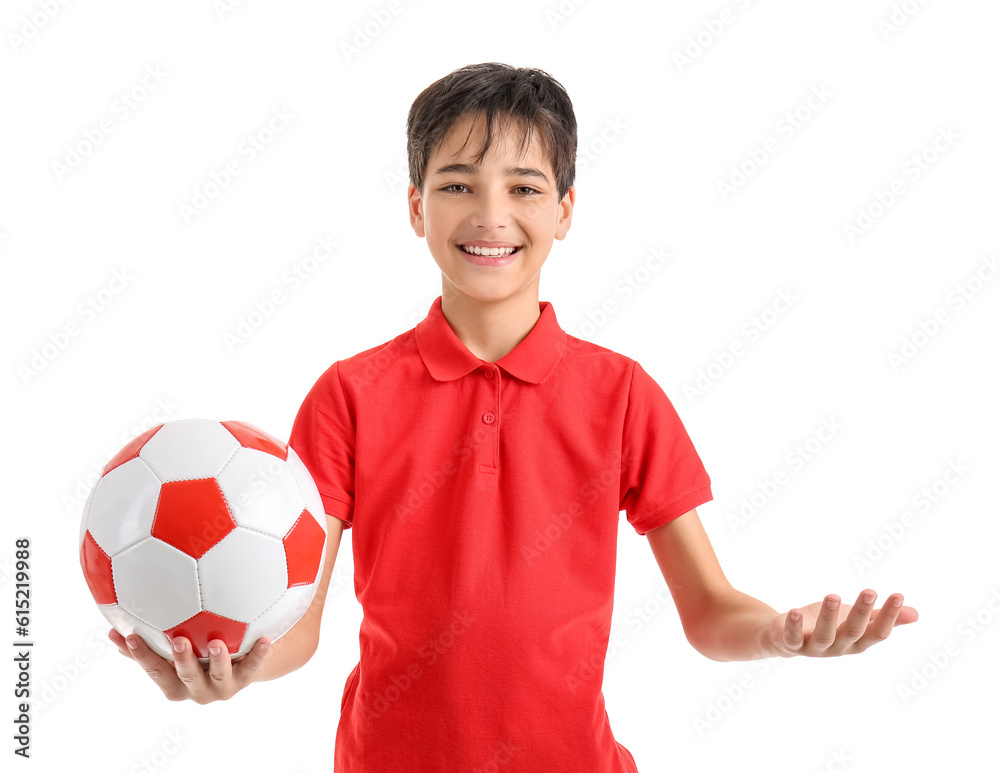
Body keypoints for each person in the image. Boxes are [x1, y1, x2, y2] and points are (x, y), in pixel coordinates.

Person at [110, 62, 918, 771]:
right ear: (415, 208)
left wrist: (780, 631)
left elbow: (710, 612)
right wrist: (243, 663)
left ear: (565, 210)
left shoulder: (622, 393)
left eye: (524, 188)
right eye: (457, 183)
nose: (490, 214)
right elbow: (300, 624)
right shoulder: (349, 394)